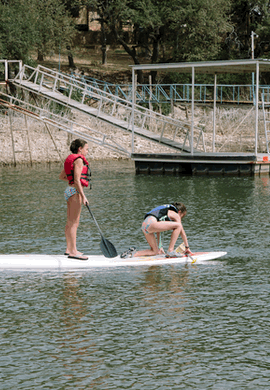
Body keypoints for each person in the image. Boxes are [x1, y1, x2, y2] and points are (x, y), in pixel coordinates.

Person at [121, 202, 192, 259]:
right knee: (178, 225)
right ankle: (170, 251)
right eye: (182, 216)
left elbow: (159, 230)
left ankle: (132, 254)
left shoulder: (165, 211)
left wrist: (160, 247)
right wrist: (187, 247)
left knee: (154, 251)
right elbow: (181, 231)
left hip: (144, 225)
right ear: (179, 212)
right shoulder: (175, 214)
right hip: (151, 223)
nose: (180, 218)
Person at [59, 139, 91, 260]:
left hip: (69, 191)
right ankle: (73, 252)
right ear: (80, 149)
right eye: (86, 149)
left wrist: (72, 181)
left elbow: (62, 176)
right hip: (75, 192)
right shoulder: (79, 160)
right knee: (74, 223)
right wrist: (84, 196)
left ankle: (69, 249)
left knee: (70, 222)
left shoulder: (71, 159)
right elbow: (77, 180)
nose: (87, 152)